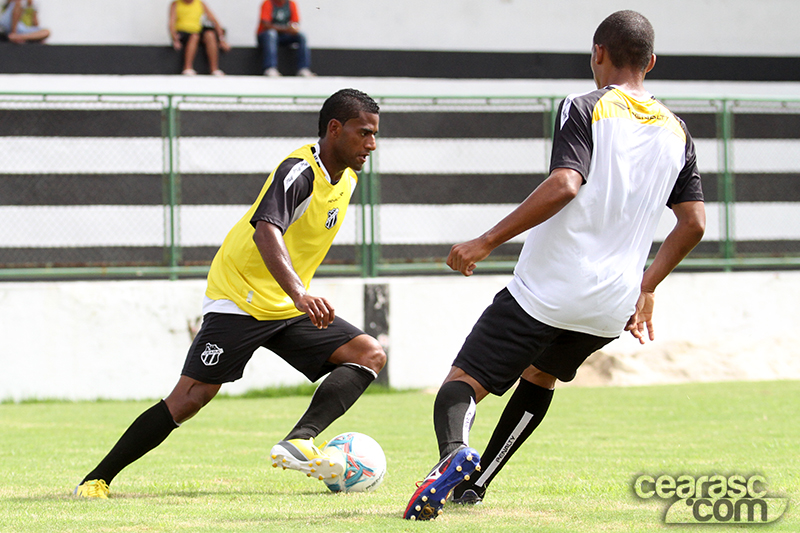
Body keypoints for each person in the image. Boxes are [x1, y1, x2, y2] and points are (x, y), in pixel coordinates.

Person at [403, 10, 706, 521]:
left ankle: (455, 454)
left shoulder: (584, 105)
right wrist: (645, 286)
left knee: (464, 380)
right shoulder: (678, 132)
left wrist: (485, 240)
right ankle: (475, 485)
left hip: (548, 287)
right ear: (651, 62)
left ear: (598, 54)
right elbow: (693, 224)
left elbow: (567, 184)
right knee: (540, 378)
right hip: (611, 306)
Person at [74, 88, 385, 499]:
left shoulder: (346, 178)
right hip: (239, 298)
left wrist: (293, 296)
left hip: (284, 304)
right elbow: (266, 230)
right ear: (334, 129)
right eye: (364, 133)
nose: (372, 144)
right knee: (191, 397)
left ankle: (300, 440)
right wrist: (299, 293)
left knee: (368, 354)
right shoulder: (299, 171)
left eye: (374, 134)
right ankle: (97, 479)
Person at [169, 0, 230, 76]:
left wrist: (222, 40)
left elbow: (213, 20)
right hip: (183, 32)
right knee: (194, 36)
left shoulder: (200, 3)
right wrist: (174, 38)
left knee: (210, 35)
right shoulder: (176, 4)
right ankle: (188, 67)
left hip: (197, 30)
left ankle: (214, 69)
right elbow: (171, 23)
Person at [257, 0, 314, 77]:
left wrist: (294, 29)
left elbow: (295, 23)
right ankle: (270, 68)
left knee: (301, 36)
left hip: (284, 37)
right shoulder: (268, 3)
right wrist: (286, 29)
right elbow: (266, 25)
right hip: (266, 36)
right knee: (271, 34)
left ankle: (303, 68)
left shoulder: (291, 4)